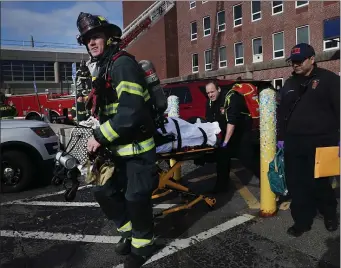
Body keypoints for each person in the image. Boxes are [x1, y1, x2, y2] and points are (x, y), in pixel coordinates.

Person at [76, 12, 158, 267]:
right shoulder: (103, 67)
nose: (91, 42)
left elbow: (131, 110)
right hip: (115, 149)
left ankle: (144, 244)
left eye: (96, 36)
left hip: (137, 149)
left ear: (109, 38)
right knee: (103, 190)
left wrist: (100, 136)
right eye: (87, 39)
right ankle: (128, 230)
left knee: (135, 197)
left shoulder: (122, 64)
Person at [278, 43, 340, 237]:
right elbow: (282, 113)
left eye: (299, 60)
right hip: (294, 143)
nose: (295, 64)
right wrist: (280, 138)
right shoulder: (289, 83)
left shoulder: (330, 80)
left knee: (321, 183)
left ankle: (330, 214)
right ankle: (302, 221)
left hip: (322, 142)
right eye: (293, 61)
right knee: (297, 185)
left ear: (312, 59)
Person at [205, 81, 230, 192]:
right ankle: (221, 185)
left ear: (218, 89)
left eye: (212, 91)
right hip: (219, 136)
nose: (210, 95)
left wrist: (225, 141)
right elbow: (209, 120)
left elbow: (231, 122)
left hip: (230, 134)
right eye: (208, 93)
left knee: (248, 161)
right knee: (221, 161)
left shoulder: (226, 100)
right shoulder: (209, 103)